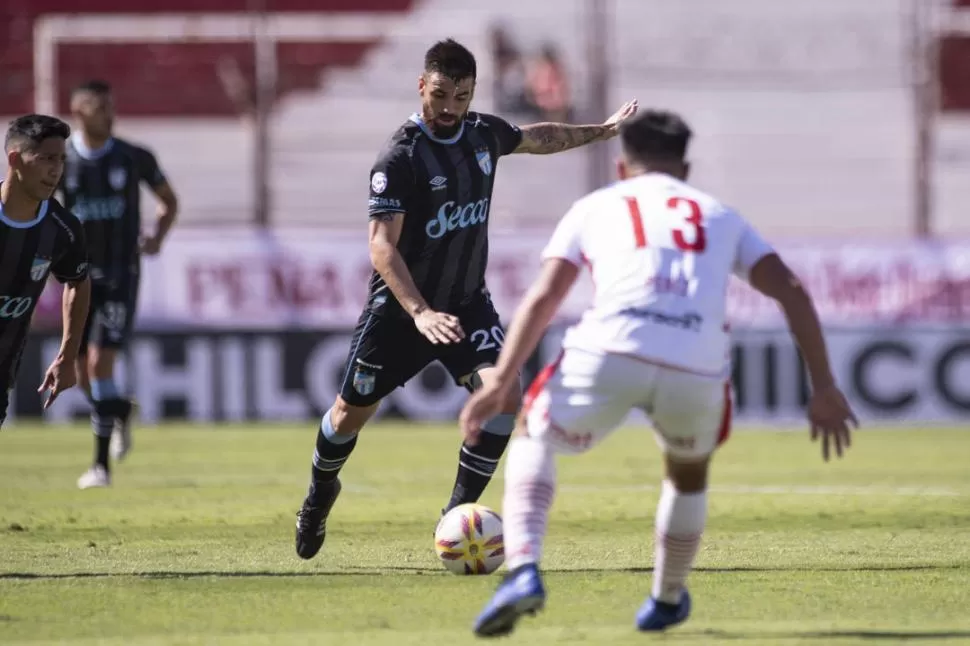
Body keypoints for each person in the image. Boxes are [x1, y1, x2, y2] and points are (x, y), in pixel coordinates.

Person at [458, 109, 859, 637]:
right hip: (695, 363)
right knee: (687, 473)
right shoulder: (719, 216)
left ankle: (524, 569)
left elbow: (546, 296)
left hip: (610, 349)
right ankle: (667, 598)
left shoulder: (596, 206)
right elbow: (792, 290)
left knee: (534, 430)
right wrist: (825, 386)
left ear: (623, 166)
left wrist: (504, 379)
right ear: (685, 169)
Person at [294, 38, 638, 560]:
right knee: (348, 414)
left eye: (461, 95)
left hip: (467, 304)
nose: (451, 107)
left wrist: (603, 131)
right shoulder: (400, 157)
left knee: (503, 398)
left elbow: (537, 137)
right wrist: (420, 312)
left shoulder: (482, 134)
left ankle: (454, 520)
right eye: (440, 95)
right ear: (421, 87)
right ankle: (319, 495)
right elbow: (381, 247)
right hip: (400, 311)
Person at [59, 80, 179, 489]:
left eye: (111, 106)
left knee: (98, 363)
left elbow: (169, 201)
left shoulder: (134, 157)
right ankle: (121, 412)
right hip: (77, 277)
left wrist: (158, 237)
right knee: (79, 371)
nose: (109, 114)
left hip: (120, 274)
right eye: (99, 107)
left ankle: (100, 469)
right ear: (78, 110)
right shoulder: (62, 161)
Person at [0, 114, 91, 430]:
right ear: (15, 160)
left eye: (62, 160)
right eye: (46, 159)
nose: (56, 170)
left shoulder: (63, 229)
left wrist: (68, 354)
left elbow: (78, 282)